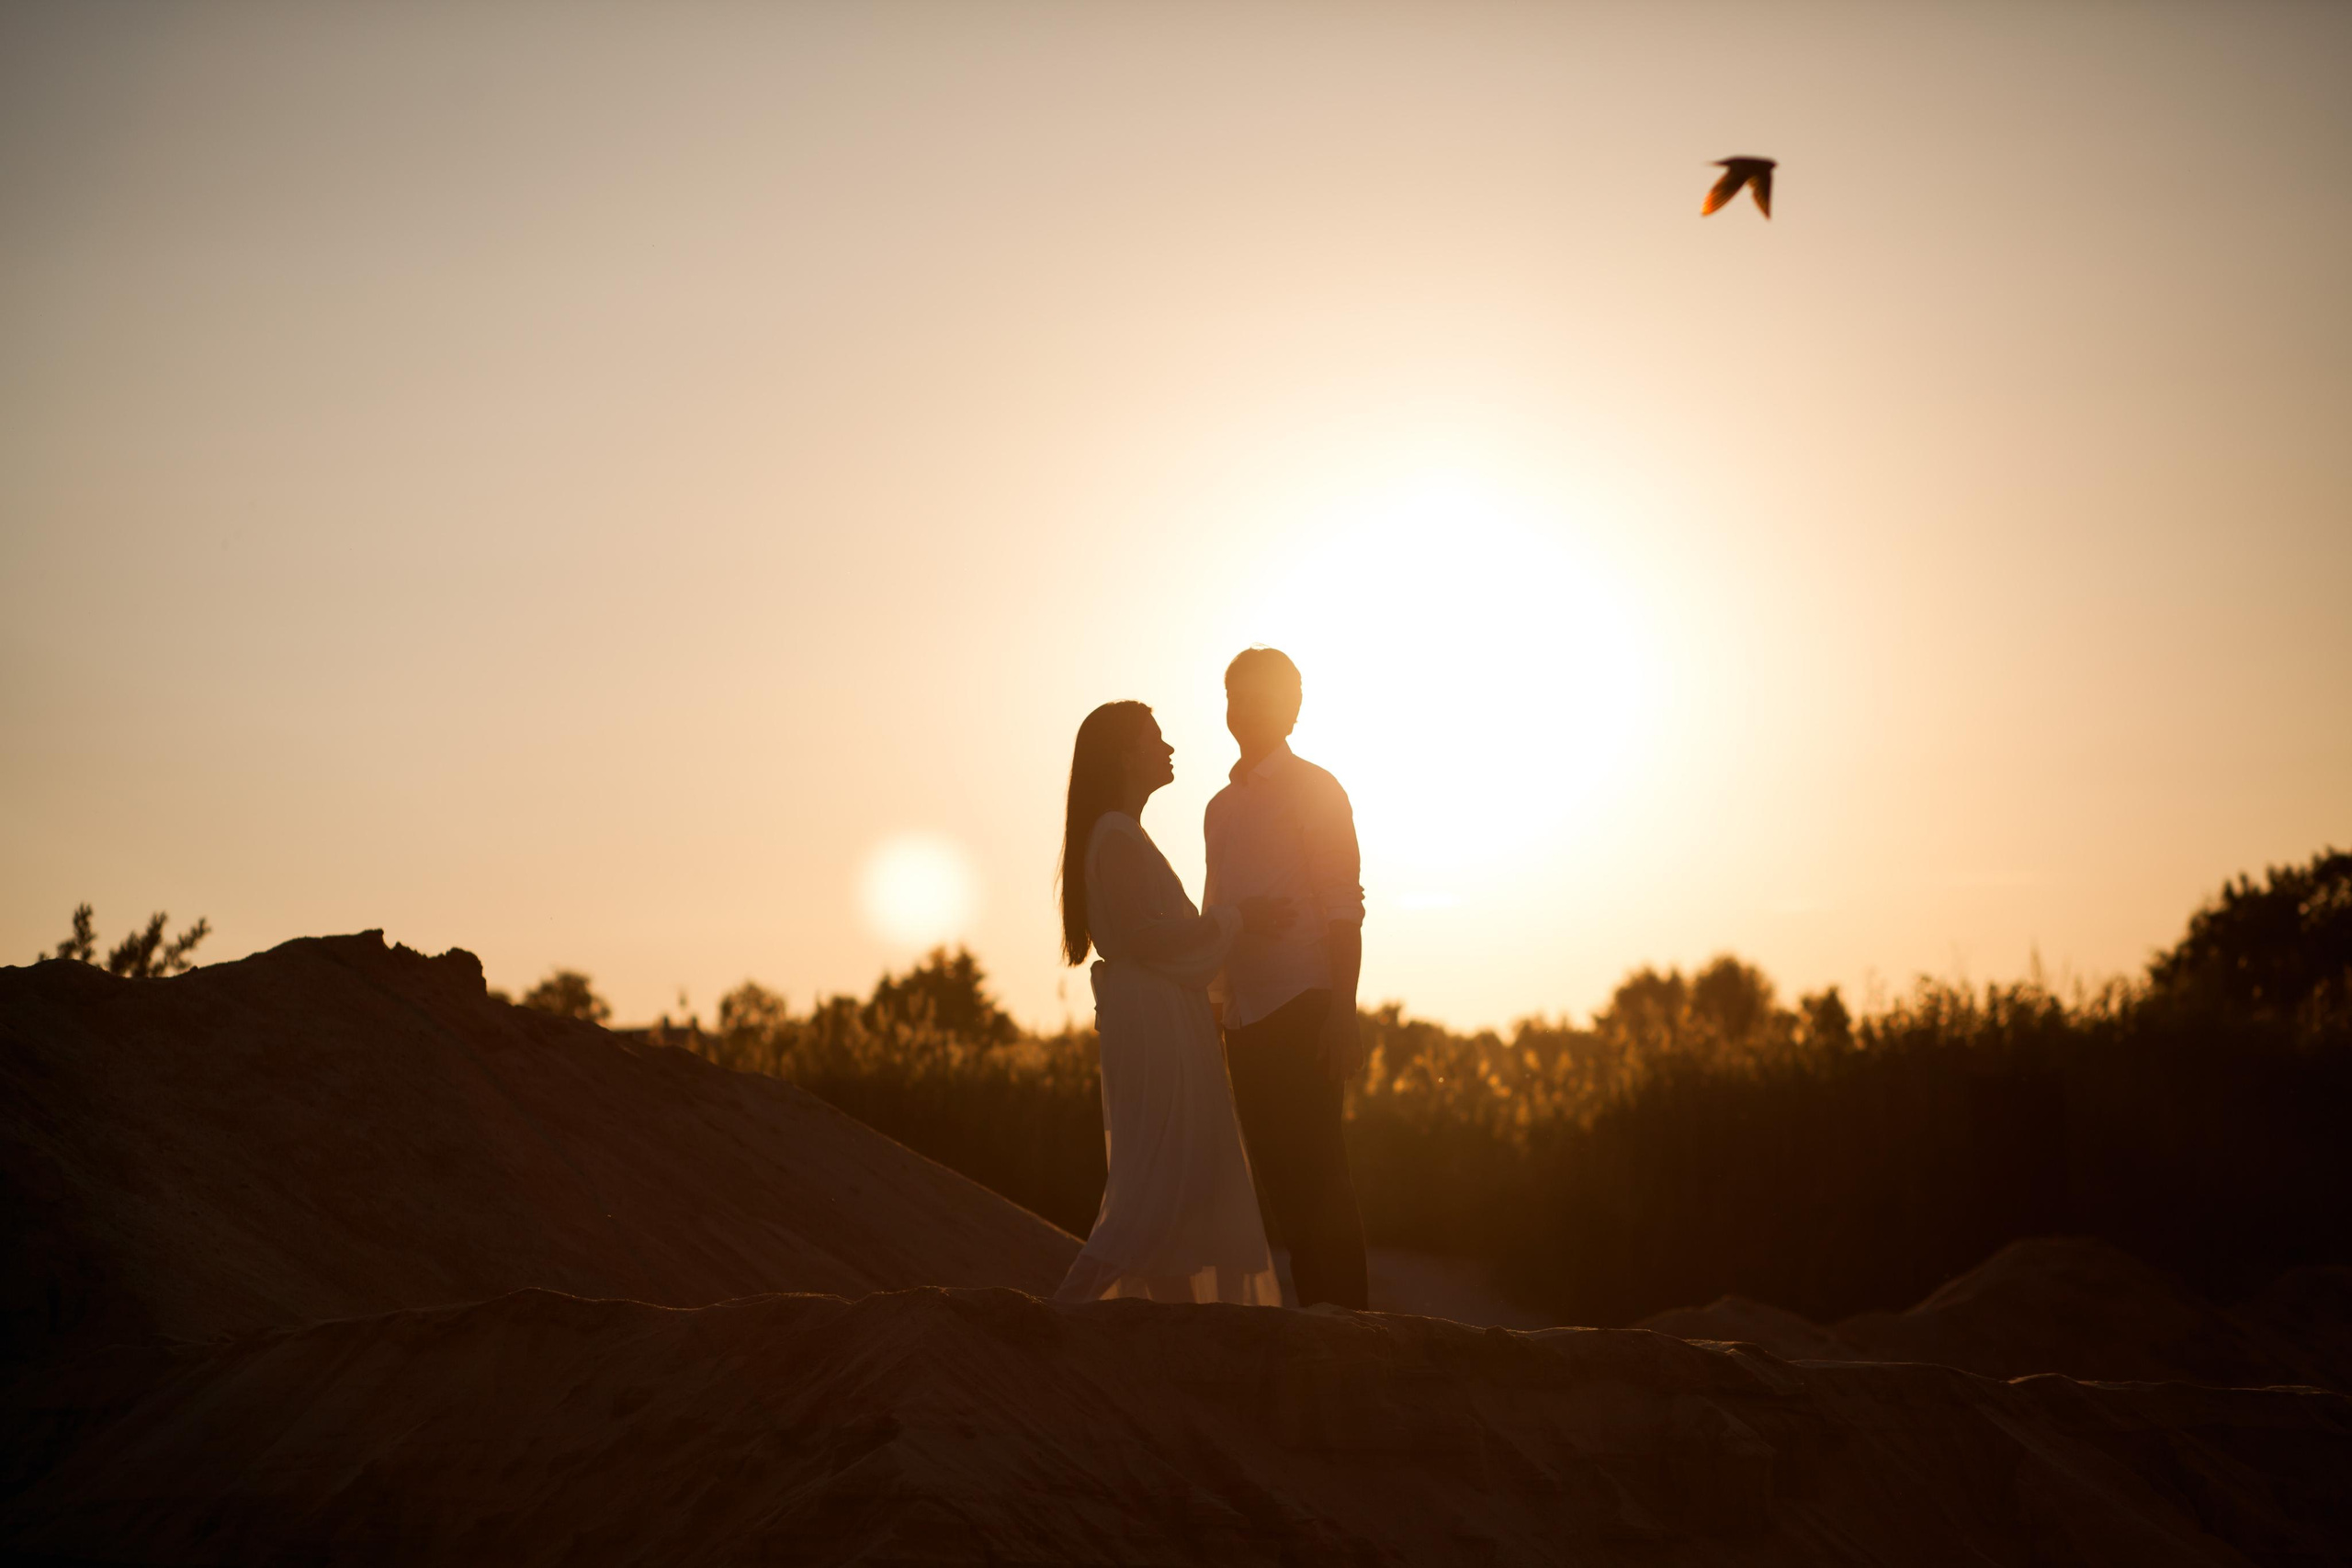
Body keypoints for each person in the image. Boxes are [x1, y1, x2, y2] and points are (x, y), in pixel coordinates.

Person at [1053, 700, 1293, 1305]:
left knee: (1184, 1182)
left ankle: (1179, 1333)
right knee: (1158, 1184)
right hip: (1155, 1025)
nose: (1168, 748)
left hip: (1162, 1018)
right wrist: (1239, 918)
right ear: (1127, 755)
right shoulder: (1115, 836)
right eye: (1155, 738)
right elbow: (1149, 939)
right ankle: (1060, 1313)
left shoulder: (1120, 834)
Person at [1204, 648, 1371, 1311]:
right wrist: (1215, 1003)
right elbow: (1217, 904)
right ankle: (1315, 1318)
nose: (1247, 710)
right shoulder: (1218, 807)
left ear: (1294, 708)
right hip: (1243, 1015)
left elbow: (1342, 904)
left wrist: (1343, 1011)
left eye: (1267, 698)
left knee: (1320, 1170)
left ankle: (1349, 1323)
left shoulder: (1318, 789)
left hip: (1305, 1002)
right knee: (1276, 1175)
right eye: (1236, 696)